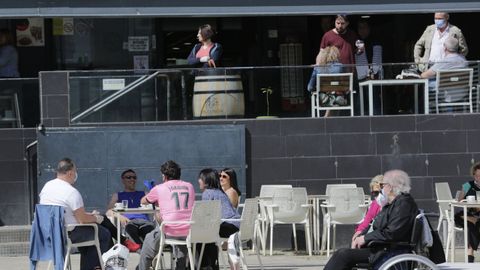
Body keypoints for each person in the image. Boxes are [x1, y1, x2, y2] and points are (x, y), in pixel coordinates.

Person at [323, 169, 419, 270]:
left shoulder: (403, 205)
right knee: (344, 254)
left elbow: (391, 233)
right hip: (380, 247)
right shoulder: (393, 204)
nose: (381, 189)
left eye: (382, 185)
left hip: (385, 250)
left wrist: (365, 238)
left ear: (390, 187)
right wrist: (360, 236)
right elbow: (374, 224)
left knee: (342, 255)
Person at [39, 158, 111, 270]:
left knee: (89, 237)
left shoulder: (47, 187)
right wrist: (96, 218)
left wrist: (85, 215)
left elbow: (62, 211)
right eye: (75, 171)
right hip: (67, 233)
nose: (76, 175)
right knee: (103, 234)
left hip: (49, 234)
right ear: (70, 173)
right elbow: (82, 220)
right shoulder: (71, 192)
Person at [137, 160, 195, 270]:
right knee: (181, 241)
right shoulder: (190, 186)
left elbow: (143, 201)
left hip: (169, 230)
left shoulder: (159, 188)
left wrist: (156, 199)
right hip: (188, 230)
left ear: (164, 176)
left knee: (148, 242)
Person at [198, 168, 241, 270]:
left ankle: (206, 265)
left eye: (200, 179)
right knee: (209, 235)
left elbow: (206, 216)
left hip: (227, 226)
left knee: (200, 237)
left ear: (206, 181)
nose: (198, 181)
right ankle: (212, 265)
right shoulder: (219, 191)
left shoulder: (207, 193)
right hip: (234, 225)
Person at [106, 169, 154, 245]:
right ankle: (142, 251)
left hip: (144, 221)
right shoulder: (118, 195)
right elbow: (108, 211)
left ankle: (148, 253)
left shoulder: (144, 194)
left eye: (134, 177)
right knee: (130, 232)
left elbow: (156, 203)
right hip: (129, 222)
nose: (132, 179)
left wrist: (152, 189)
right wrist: (119, 216)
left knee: (150, 233)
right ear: (123, 180)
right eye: (129, 177)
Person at [420, 36, 468, 110]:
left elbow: (424, 76)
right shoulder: (464, 59)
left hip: (448, 95)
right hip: (461, 93)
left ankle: (426, 110)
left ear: (445, 48)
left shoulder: (443, 62)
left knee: (426, 83)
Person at [308, 46, 345, 117]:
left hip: (323, 99)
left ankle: (326, 118)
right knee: (336, 93)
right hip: (339, 97)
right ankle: (329, 116)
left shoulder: (318, 68)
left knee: (316, 94)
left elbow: (310, 87)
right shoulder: (340, 66)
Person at [454, 162, 480, 263]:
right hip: (468, 213)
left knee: (471, 226)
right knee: (461, 218)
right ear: (474, 175)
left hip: (475, 216)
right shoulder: (468, 185)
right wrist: (464, 191)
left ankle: (470, 255)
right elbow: (459, 200)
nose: (479, 177)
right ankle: (470, 254)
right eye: (477, 175)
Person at [351, 175, 384, 243]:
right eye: (375, 193)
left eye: (381, 192)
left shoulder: (393, 206)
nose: (379, 196)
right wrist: (358, 232)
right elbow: (366, 221)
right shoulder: (374, 204)